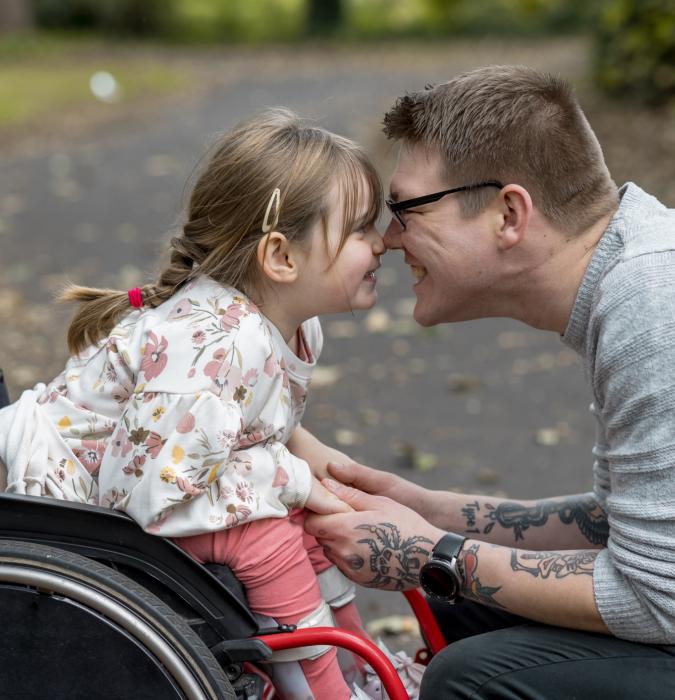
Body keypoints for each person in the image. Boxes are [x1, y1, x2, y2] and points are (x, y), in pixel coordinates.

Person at [0, 108, 400, 699]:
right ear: (281, 258)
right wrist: (286, 477)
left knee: (313, 517)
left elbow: (253, 424)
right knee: (269, 535)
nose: (382, 242)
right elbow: (146, 497)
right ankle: (319, 687)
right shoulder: (217, 346)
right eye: (361, 229)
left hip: (155, 473)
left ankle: (354, 667)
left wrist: (320, 471)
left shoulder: (292, 326)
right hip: (65, 492)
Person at [305, 65, 675, 698]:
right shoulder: (632, 274)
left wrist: (430, 553)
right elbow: (622, 527)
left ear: (509, 213)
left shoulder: (650, 307)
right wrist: (426, 510)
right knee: (459, 605)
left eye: (407, 210)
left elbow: (659, 598)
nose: (390, 241)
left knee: (467, 677)